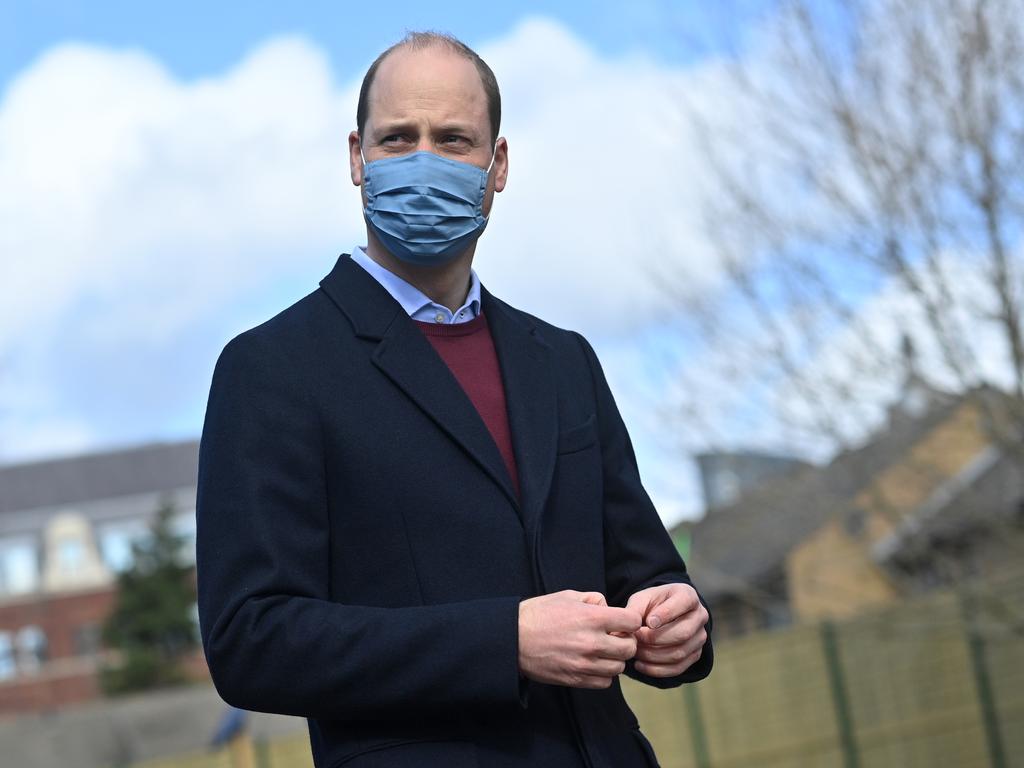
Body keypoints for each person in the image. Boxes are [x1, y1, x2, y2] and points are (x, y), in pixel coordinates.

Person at [196, 31, 712, 768]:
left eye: (454, 139)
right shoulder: (273, 370)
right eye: (398, 138)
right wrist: (504, 643)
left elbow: (643, 569)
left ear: (497, 165)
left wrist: (677, 619)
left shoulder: (561, 361)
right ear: (356, 158)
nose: (425, 161)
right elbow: (253, 641)